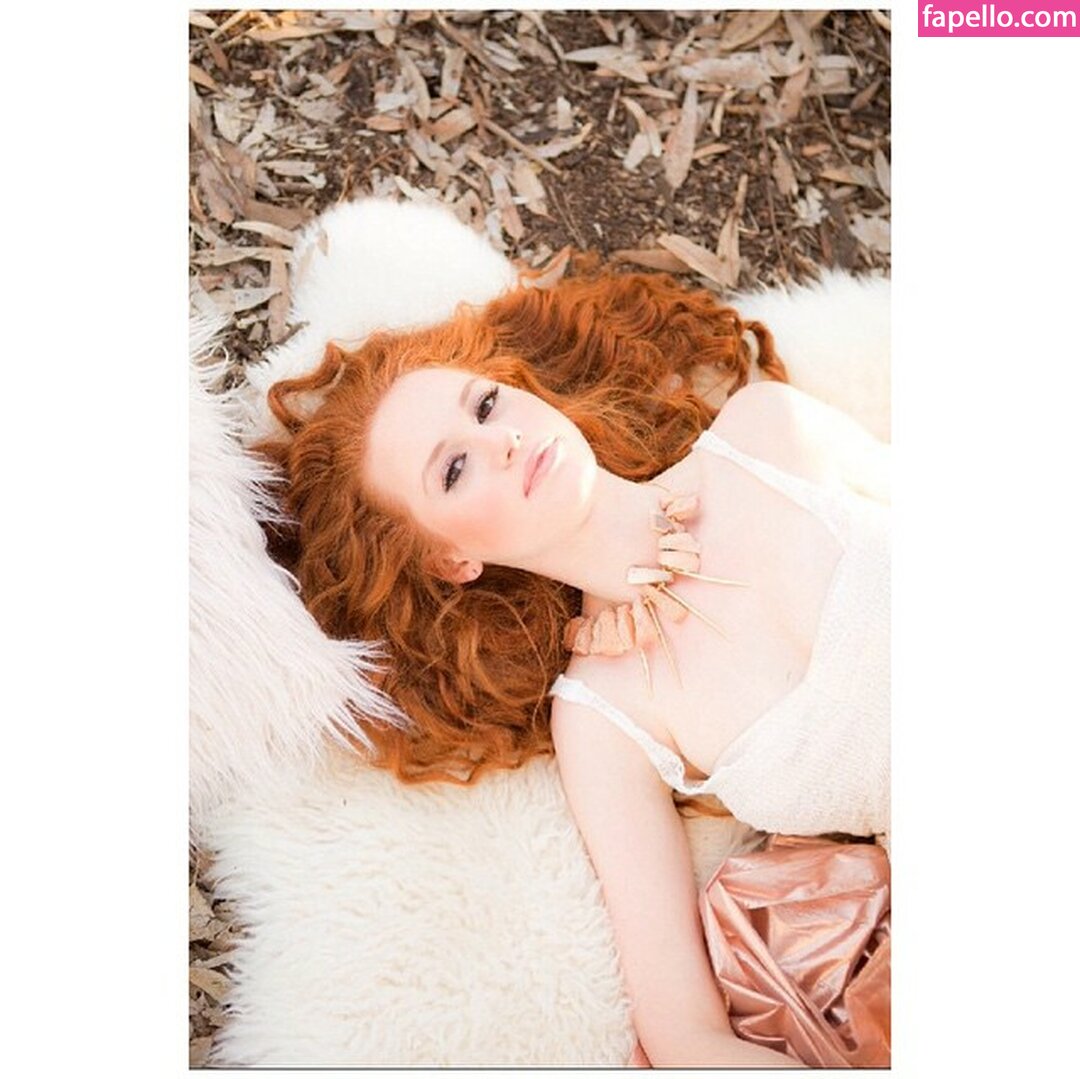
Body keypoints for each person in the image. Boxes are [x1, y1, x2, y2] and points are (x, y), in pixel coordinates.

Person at [257, 266, 889, 1068]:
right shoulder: (603, 718)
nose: (502, 440)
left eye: (486, 405)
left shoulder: (766, 434)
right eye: (454, 468)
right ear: (450, 560)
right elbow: (684, 1035)